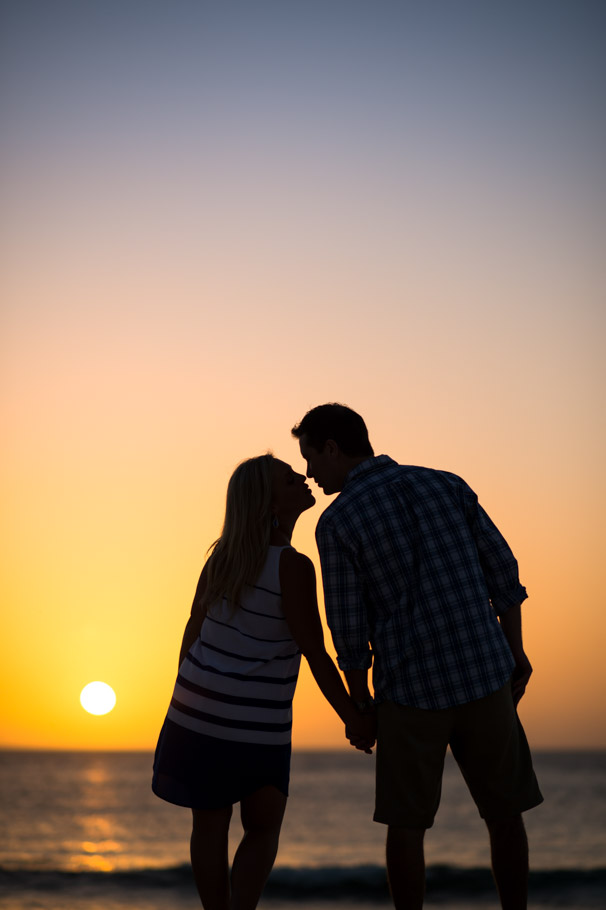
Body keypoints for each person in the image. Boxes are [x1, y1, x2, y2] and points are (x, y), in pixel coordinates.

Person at [291, 403, 543, 910]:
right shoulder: (445, 484)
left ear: (334, 448)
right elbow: (504, 573)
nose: (309, 472)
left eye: (311, 457)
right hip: (484, 674)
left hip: (409, 694)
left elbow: (348, 627)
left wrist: (360, 705)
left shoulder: (337, 522)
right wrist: (514, 649)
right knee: (504, 814)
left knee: (406, 827)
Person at [152, 453, 372, 910]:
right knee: (263, 828)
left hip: (196, 715)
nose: (303, 480)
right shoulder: (293, 566)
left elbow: (190, 632)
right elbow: (314, 652)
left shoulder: (222, 559)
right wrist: (353, 717)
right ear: (270, 504)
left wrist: (187, 695)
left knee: (209, 830)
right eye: (291, 481)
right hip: (258, 725)